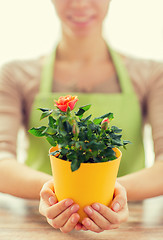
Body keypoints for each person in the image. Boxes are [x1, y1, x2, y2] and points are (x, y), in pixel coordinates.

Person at [0, 0, 163, 233]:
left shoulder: (151, 73)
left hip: (132, 226)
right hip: (37, 225)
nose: (79, 4)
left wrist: (112, 194)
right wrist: (51, 193)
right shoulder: (16, 74)